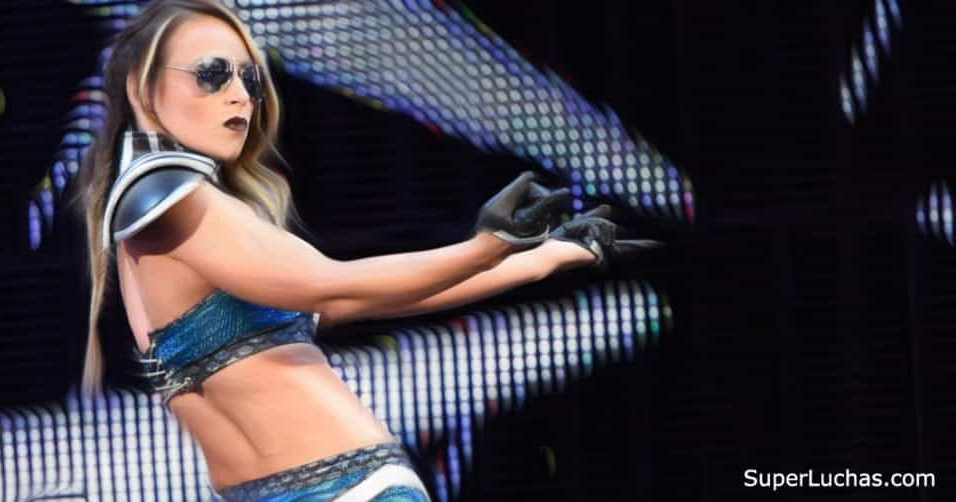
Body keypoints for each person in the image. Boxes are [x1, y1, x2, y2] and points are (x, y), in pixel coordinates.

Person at [74, 0, 656, 499]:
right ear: (142, 90)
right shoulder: (168, 201)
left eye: (250, 78)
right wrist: (487, 249)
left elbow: (355, 298)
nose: (241, 97)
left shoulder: (187, 211)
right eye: (212, 73)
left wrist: (541, 256)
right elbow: (332, 286)